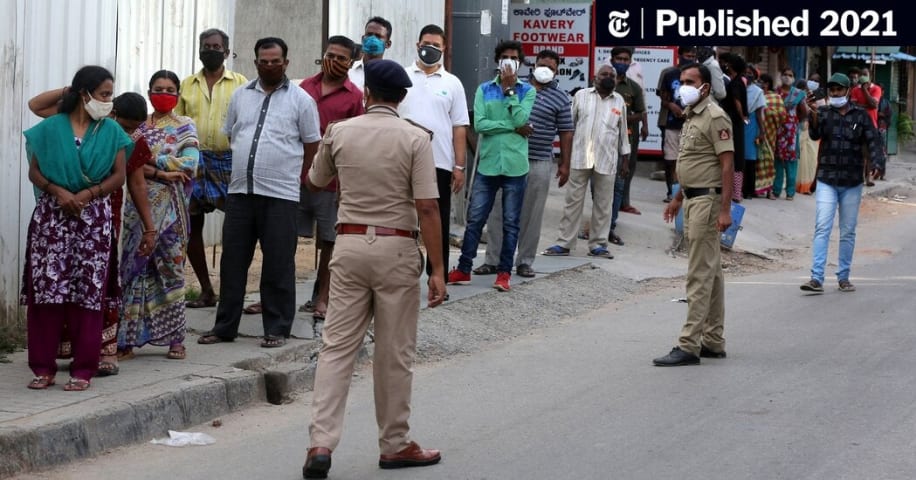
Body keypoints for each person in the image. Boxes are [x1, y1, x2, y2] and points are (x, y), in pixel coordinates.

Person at [303, 59, 446, 479]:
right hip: (396, 246)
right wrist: (438, 268)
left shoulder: (340, 132)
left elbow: (315, 180)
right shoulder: (416, 138)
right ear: (402, 97)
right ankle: (395, 443)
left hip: (347, 246)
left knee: (336, 348)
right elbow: (427, 207)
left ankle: (321, 442)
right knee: (394, 352)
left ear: (366, 94)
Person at [197, 37, 321, 348]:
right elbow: (232, 135)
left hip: (281, 195)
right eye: (263, 61)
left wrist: (302, 179)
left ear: (286, 64)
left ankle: (277, 328)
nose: (269, 66)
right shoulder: (240, 96)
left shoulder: (302, 101)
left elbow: (312, 146)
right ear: (255, 63)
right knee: (233, 262)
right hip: (240, 192)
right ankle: (224, 327)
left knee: (279, 263)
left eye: (275, 61)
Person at [26, 89, 157, 377]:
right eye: (124, 125)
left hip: (101, 219)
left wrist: (150, 228)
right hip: (60, 214)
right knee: (58, 281)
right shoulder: (71, 127)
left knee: (97, 283)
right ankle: (59, 352)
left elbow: (135, 184)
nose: (129, 132)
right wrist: (73, 89)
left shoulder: (124, 139)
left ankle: (104, 350)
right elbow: (36, 106)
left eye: (134, 128)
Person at [653, 63, 734, 366]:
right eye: (681, 81)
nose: (682, 86)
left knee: (698, 273)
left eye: (689, 81)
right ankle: (713, 340)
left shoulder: (715, 116)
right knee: (711, 272)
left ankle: (689, 344)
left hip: (707, 203)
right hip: (692, 199)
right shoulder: (691, 115)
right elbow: (692, 162)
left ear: (705, 87)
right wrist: (677, 197)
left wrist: (725, 210)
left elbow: (727, 165)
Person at [118, 70, 199, 361]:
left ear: (178, 94)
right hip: (135, 210)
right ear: (149, 91)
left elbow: (190, 164)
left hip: (171, 212)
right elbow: (127, 161)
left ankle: (176, 339)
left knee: (171, 270)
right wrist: (161, 170)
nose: (163, 93)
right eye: (157, 88)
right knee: (132, 270)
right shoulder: (137, 125)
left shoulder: (185, 126)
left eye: (169, 89)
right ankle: (126, 339)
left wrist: (151, 159)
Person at [446, 40, 535, 292]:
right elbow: (481, 125)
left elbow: (522, 118)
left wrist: (509, 92)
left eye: (513, 57)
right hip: (488, 165)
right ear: (498, 60)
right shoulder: (484, 89)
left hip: (516, 166)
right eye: (504, 56)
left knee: (510, 221)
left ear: (520, 62)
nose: (508, 61)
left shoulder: (527, 91)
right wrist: (514, 128)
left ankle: (504, 273)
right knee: (475, 219)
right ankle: (464, 268)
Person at [475, 48, 573, 277]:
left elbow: (566, 132)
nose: (545, 70)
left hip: (539, 161)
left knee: (532, 214)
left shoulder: (560, 97)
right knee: (498, 210)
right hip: (507, 158)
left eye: (551, 67)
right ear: (533, 64)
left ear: (557, 69)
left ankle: (524, 261)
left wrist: (565, 164)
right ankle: (493, 260)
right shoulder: (518, 88)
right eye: (542, 65)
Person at [176, 28, 248, 310]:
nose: (211, 50)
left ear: (227, 52)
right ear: (199, 50)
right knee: (191, 225)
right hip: (193, 161)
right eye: (206, 46)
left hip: (228, 160)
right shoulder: (186, 85)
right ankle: (206, 289)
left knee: (237, 227)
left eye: (217, 46)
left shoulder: (241, 83)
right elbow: (178, 122)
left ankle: (232, 292)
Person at [299, 35, 365, 324]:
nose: (334, 61)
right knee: (283, 237)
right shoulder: (303, 88)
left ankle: (322, 297)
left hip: (331, 182)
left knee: (329, 241)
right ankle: (276, 296)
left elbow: (355, 140)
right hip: (296, 176)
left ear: (351, 62)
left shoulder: (355, 97)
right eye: (330, 54)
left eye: (341, 57)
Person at [800, 73, 884, 294]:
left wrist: (876, 162)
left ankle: (843, 277)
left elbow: (873, 139)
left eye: (839, 90)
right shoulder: (824, 113)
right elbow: (815, 135)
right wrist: (813, 114)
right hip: (827, 179)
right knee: (822, 228)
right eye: (832, 90)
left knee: (847, 231)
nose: (835, 94)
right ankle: (816, 278)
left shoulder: (861, 115)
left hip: (852, 181)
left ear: (848, 91)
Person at [399, 24, 469, 285]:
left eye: (436, 46)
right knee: (403, 217)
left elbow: (459, 126)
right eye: (426, 44)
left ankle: (436, 275)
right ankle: (402, 274)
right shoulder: (402, 76)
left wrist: (459, 166)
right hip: (402, 160)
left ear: (444, 48)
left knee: (436, 220)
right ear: (417, 45)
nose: (430, 49)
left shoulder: (453, 84)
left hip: (438, 162)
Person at [542, 63, 629, 260]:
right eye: (604, 74)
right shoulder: (581, 96)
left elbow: (622, 133)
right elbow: (568, 128)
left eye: (611, 75)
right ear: (595, 77)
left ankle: (598, 245)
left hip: (607, 160)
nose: (608, 77)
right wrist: (563, 159)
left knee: (603, 204)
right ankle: (564, 243)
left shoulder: (619, 101)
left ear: (616, 80)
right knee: (573, 202)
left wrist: (625, 159)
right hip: (580, 158)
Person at [609, 47, 649, 245]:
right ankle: (600, 222)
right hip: (602, 141)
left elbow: (641, 113)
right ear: (612, 59)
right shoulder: (603, 82)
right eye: (619, 59)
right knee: (598, 185)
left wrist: (619, 116)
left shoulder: (634, 87)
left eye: (626, 59)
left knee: (618, 184)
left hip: (626, 141)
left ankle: (611, 225)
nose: (622, 62)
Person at [657, 46, 697, 203]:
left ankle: (685, 190)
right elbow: (662, 95)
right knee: (670, 159)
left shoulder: (698, 74)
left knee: (688, 159)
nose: (691, 58)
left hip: (691, 123)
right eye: (688, 55)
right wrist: (672, 106)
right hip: (670, 122)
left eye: (693, 56)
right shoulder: (668, 73)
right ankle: (671, 191)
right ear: (679, 56)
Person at [772, 67, 808, 200]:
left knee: (791, 161)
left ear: (794, 78)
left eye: (790, 75)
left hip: (792, 132)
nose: (787, 77)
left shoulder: (798, 94)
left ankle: (790, 192)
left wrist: (795, 119)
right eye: (785, 74)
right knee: (778, 161)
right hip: (778, 130)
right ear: (781, 76)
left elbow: (804, 112)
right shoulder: (776, 92)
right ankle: (776, 190)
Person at [716, 53, 748, 203]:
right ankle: (735, 191)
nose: (725, 66)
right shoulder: (740, 81)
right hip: (735, 122)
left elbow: (737, 101)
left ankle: (735, 192)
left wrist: (742, 117)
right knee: (737, 155)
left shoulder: (735, 83)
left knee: (733, 154)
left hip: (733, 122)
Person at [849, 69, 883, 185]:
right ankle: (859, 176)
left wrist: (864, 90)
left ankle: (868, 177)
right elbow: (853, 106)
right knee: (857, 152)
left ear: (870, 76)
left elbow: (874, 104)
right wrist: (867, 105)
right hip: (857, 124)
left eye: (865, 75)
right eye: (861, 75)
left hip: (871, 124)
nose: (863, 77)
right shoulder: (854, 90)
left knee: (868, 152)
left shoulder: (876, 89)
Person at [756, 74, 787, 198]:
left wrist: (766, 111)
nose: (760, 84)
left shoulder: (776, 98)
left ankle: (769, 190)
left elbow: (782, 115)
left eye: (761, 82)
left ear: (767, 84)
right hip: (756, 131)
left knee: (769, 160)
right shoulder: (757, 95)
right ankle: (755, 187)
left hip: (770, 133)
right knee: (756, 161)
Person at [741, 65, 766, 199]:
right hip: (738, 123)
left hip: (751, 124)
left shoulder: (757, 92)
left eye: (750, 73)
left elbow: (758, 113)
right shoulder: (738, 87)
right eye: (745, 72)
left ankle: (749, 190)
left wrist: (762, 132)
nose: (747, 75)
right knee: (738, 158)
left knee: (750, 158)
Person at [349, 16, 392, 90]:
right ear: (363, 39)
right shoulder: (348, 71)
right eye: (369, 34)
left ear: (388, 44)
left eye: (378, 36)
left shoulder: (391, 76)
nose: (372, 39)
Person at [796, 75, 823, 195]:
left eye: (817, 81)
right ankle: (800, 185)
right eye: (812, 80)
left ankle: (809, 184)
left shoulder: (819, 97)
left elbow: (819, 114)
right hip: (801, 129)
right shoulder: (800, 96)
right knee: (802, 158)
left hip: (813, 131)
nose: (814, 82)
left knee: (811, 159)